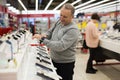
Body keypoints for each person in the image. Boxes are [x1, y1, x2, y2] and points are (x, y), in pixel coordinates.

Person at [33, 3, 79, 80]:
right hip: (54, 60)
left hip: (65, 64)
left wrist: (43, 40)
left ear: (72, 17)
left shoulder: (73, 30)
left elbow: (60, 46)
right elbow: (50, 32)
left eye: (65, 17)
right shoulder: (59, 22)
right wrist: (44, 36)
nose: (61, 18)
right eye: (61, 15)